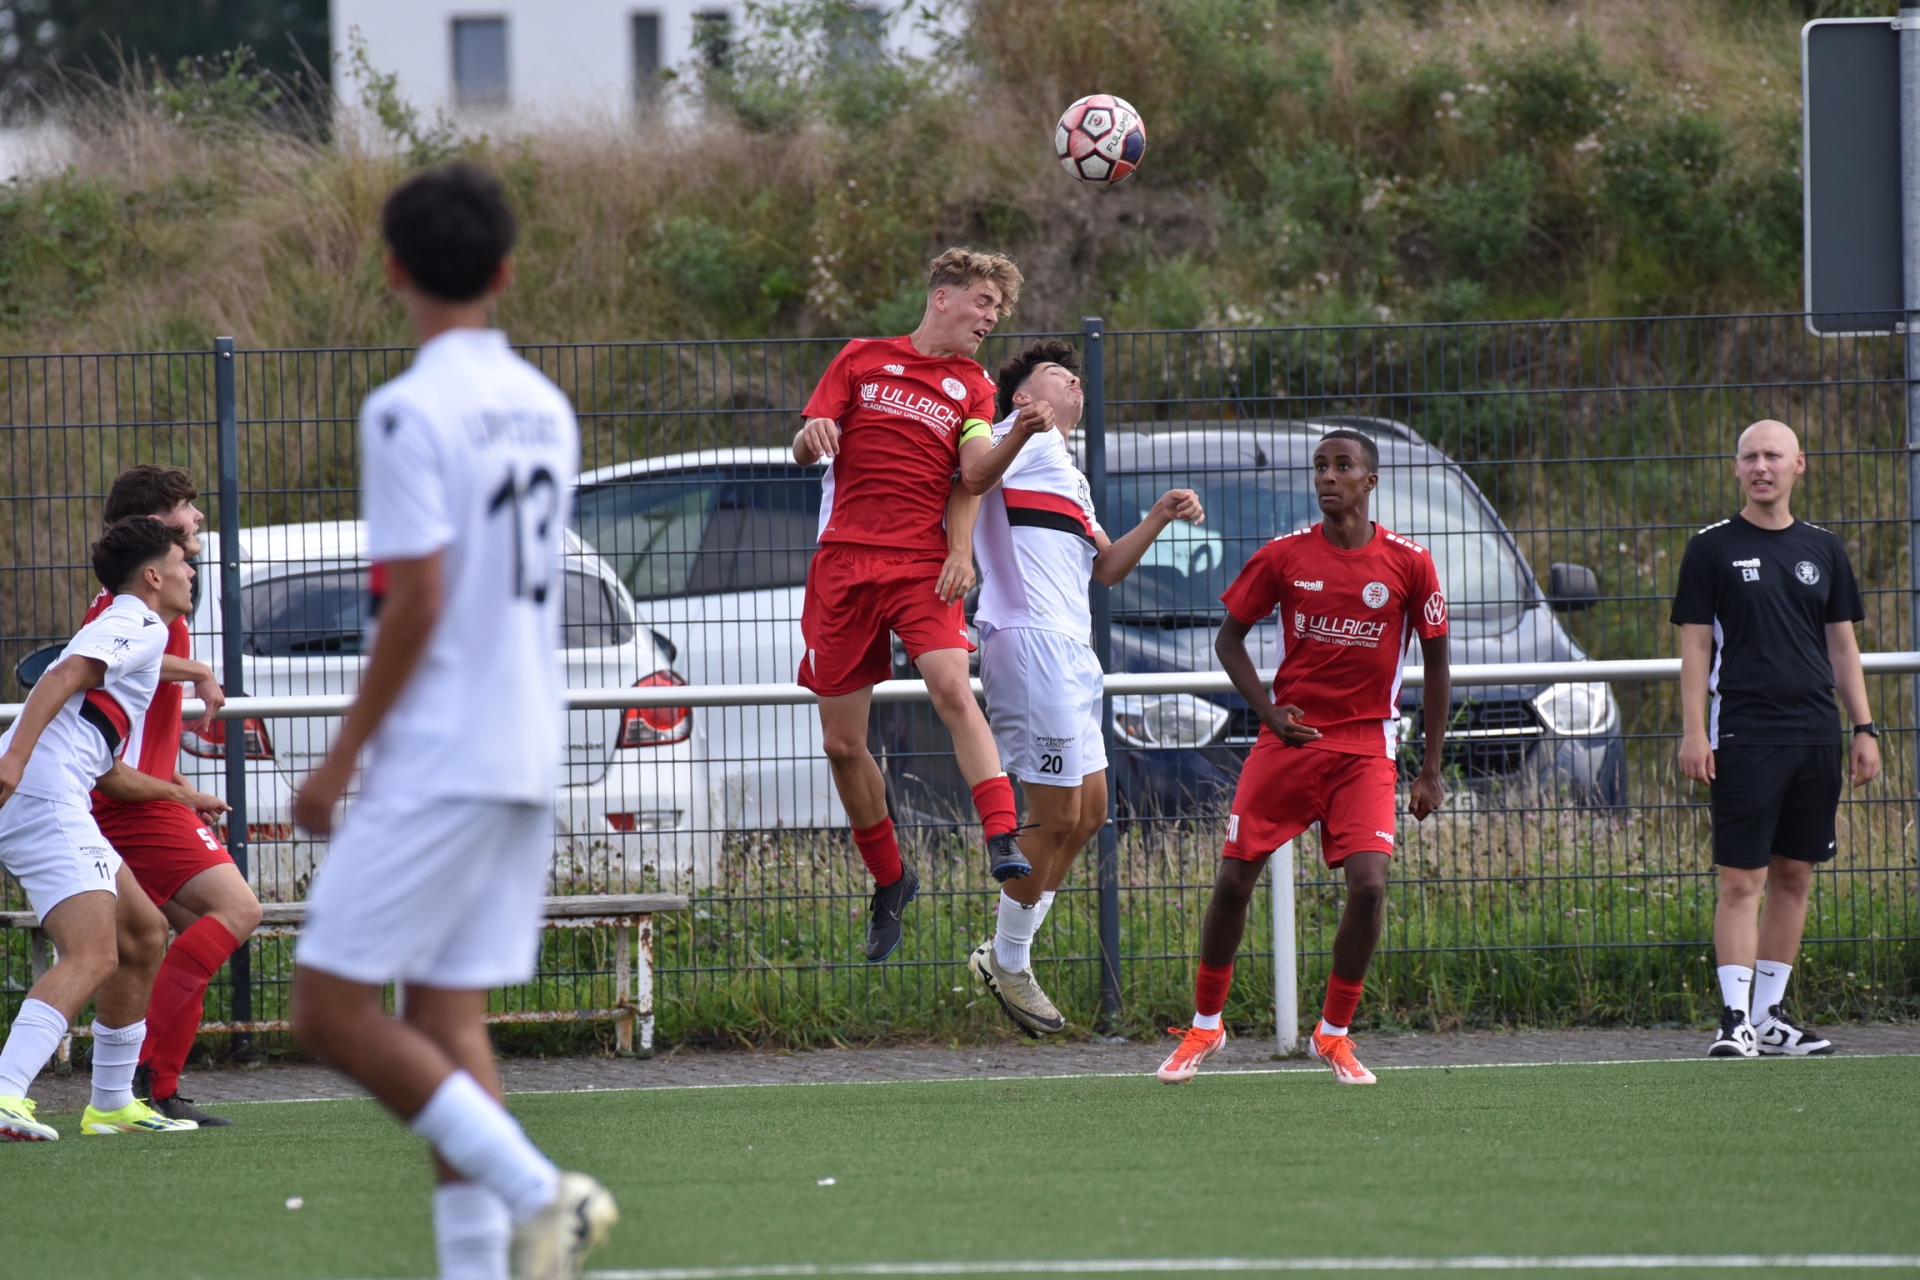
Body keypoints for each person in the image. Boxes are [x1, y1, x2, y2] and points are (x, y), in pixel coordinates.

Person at [288, 163, 616, 1280]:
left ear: (392, 269)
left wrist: (337, 758)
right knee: (444, 1015)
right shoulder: (545, 404)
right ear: (506, 271)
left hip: (443, 751)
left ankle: (539, 1191)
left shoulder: (405, 408)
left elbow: (419, 598)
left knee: (327, 1008)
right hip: (526, 743)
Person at [1157, 429, 1450, 1086]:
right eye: (1320, 466)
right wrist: (1267, 711)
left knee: (1369, 887)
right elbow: (1229, 640)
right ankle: (1206, 1025)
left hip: (1365, 748)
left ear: (1370, 480)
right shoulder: (1284, 555)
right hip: (1290, 742)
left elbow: (1437, 664)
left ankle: (1333, 1034)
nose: (1328, 476)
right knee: (1234, 879)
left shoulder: (1409, 563)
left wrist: (1430, 769)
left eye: (1343, 466)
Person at [792, 247, 1058, 963]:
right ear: (943, 297)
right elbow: (807, 446)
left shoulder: (973, 387)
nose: (992, 317)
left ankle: (1000, 834)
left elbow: (974, 474)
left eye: (999, 309)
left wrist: (1018, 434)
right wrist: (809, 437)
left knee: (950, 685)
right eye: (983, 302)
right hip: (844, 564)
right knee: (841, 744)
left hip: (918, 566)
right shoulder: (861, 358)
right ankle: (890, 879)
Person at [963, 337, 1204, 1035]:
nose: (1073, 381)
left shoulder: (1067, 471)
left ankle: (1006, 951)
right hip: (1027, 640)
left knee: (1092, 812)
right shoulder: (1016, 435)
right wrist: (957, 552)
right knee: (1057, 814)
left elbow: (1106, 569)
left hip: (1073, 649)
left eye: (1075, 376)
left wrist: (1157, 516)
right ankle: (1008, 958)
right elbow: (969, 479)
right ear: (1023, 397)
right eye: (1055, 374)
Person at [0, 516, 224, 1139]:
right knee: (94, 952)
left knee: (144, 933)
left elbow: (110, 773)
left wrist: (183, 796)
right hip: (43, 795)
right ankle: (6, 1091)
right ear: (152, 576)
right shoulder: (139, 623)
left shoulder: (131, 630)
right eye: (181, 562)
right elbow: (61, 676)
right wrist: (15, 757)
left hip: (54, 790)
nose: (191, 572)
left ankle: (112, 1105)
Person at [1672, 419, 1875, 1059]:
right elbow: (1694, 647)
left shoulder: (1824, 549)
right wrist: (1694, 732)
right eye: (1750, 457)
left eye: (1773, 456)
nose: (1761, 467)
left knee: (1794, 875)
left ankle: (1769, 1017)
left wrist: (1864, 727)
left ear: (1798, 465)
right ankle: (1733, 1020)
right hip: (1745, 733)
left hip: (1816, 734)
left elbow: (1842, 645)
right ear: (1737, 468)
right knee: (1742, 880)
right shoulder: (1710, 548)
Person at [73, 465, 261, 1126]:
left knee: (171, 937)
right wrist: (201, 670)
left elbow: (137, 724)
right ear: (155, 524)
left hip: (144, 794)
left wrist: (182, 786)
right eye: (185, 506)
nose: (198, 516)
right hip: (126, 802)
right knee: (237, 911)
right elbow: (99, 662)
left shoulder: (155, 600)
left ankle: (152, 1081)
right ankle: (147, 1072)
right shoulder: (129, 606)